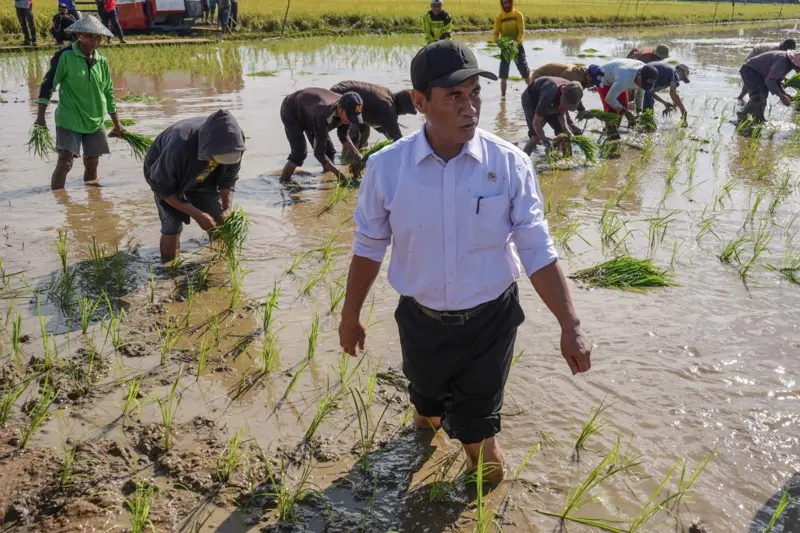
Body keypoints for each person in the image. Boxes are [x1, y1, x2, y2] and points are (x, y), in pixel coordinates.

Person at [338, 40, 592, 485]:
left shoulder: (510, 164)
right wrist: (350, 314)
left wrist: (569, 325)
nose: (470, 106)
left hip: (490, 322)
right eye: (454, 96)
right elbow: (369, 245)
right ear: (419, 102)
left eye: (475, 92)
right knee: (427, 411)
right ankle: (426, 432)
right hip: (420, 321)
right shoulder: (387, 168)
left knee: (480, 438)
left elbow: (536, 246)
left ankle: (486, 507)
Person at [35, 15, 127, 190]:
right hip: (70, 119)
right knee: (65, 162)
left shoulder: (102, 61)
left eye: (98, 36)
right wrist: (40, 117)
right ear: (79, 36)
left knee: (92, 162)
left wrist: (117, 123)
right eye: (89, 36)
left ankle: (93, 204)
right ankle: (59, 201)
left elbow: (108, 92)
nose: (94, 40)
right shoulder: (64, 56)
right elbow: (48, 85)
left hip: (95, 119)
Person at [143, 110, 246, 263]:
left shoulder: (235, 142)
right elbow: (163, 187)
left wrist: (227, 207)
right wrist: (197, 214)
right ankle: (168, 269)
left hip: (204, 177)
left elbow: (229, 178)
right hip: (166, 178)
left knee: (219, 221)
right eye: (219, 158)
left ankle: (218, 262)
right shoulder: (179, 144)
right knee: (172, 226)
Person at [279, 88, 365, 182]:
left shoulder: (347, 108)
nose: (350, 120)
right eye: (350, 117)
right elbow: (319, 154)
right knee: (299, 154)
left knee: (329, 152)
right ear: (340, 109)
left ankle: (325, 180)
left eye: (354, 117)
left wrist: (358, 155)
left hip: (310, 112)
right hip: (291, 111)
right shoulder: (323, 115)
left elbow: (343, 136)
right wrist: (339, 175)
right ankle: (283, 182)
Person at [330, 81, 417, 148]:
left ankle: (358, 153)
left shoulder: (387, 96)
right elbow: (398, 140)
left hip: (344, 92)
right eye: (405, 112)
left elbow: (385, 129)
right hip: (341, 96)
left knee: (364, 131)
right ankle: (348, 160)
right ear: (403, 107)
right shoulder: (388, 109)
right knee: (355, 135)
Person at [594, 58, 658, 135]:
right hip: (604, 78)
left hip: (618, 74)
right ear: (639, 75)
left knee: (624, 105)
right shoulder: (625, 79)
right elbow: (609, 99)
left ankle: (615, 128)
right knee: (612, 109)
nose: (642, 86)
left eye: (645, 86)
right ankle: (611, 132)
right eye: (643, 84)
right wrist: (626, 113)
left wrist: (639, 112)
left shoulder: (647, 73)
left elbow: (640, 95)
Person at [522, 77, 584, 155]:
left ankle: (566, 160)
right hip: (532, 99)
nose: (564, 107)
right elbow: (536, 123)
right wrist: (545, 141)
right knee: (535, 136)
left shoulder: (575, 93)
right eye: (565, 103)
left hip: (553, 100)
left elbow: (562, 112)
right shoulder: (548, 94)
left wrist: (567, 130)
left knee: (563, 134)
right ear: (562, 90)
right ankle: (523, 159)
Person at [738, 49, 800, 123]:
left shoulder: (788, 64)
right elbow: (770, 81)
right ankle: (741, 118)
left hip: (760, 73)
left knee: (763, 96)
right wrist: (781, 96)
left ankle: (758, 118)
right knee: (758, 96)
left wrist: (784, 93)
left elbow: (777, 80)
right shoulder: (783, 62)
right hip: (750, 70)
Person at [493, 0, 530, 97]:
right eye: (504, 3)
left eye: (508, 2)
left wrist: (517, 43)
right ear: (502, 4)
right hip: (505, 48)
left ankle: (533, 90)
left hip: (517, 47)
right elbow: (496, 32)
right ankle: (503, 97)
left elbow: (521, 32)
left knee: (524, 71)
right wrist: (497, 41)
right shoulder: (499, 17)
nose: (506, 5)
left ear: (511, 2)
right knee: (503, 74)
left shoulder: (517, 15)